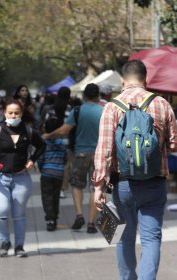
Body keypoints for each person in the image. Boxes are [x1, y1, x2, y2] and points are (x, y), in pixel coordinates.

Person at [93, 60, 177, 280]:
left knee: (124, 237)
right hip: (154, 182)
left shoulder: (112, 107)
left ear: (123, 81)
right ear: (146, 79)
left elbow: (104, 150)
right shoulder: (161, 104)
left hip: (122, 184)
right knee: (151, 239)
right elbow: (173, 145)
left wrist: (99, 187)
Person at [0, 100, 46, 257]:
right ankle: (4, 240)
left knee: (19, 214)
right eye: (10, 112)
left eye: (17, 112)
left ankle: (19, 246)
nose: (13, 115)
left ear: (21, 114)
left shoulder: (28, 130)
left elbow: (42, 145)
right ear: (5, 113)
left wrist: (32, 160)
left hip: (21, 178)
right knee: (1, 210)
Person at [42, 83, 103, 234]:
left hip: (79, 154)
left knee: (77, 186)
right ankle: (91, 223)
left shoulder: (77, 111)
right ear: (98, 96)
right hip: (99, 154)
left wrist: (47, 136)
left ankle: (79, 215)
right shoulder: (104, 110)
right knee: (95, 188)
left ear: (84, 96)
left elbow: (64, 130)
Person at [37, 115, 66, 231]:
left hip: (47, 174)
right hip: (59, 174)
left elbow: (40, 159)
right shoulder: (62, 144)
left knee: (47, 197)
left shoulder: (44, 143)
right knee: (55, 197)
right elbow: (65, 157)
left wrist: (41, 169)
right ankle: (55, 217)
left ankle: (50, 220)